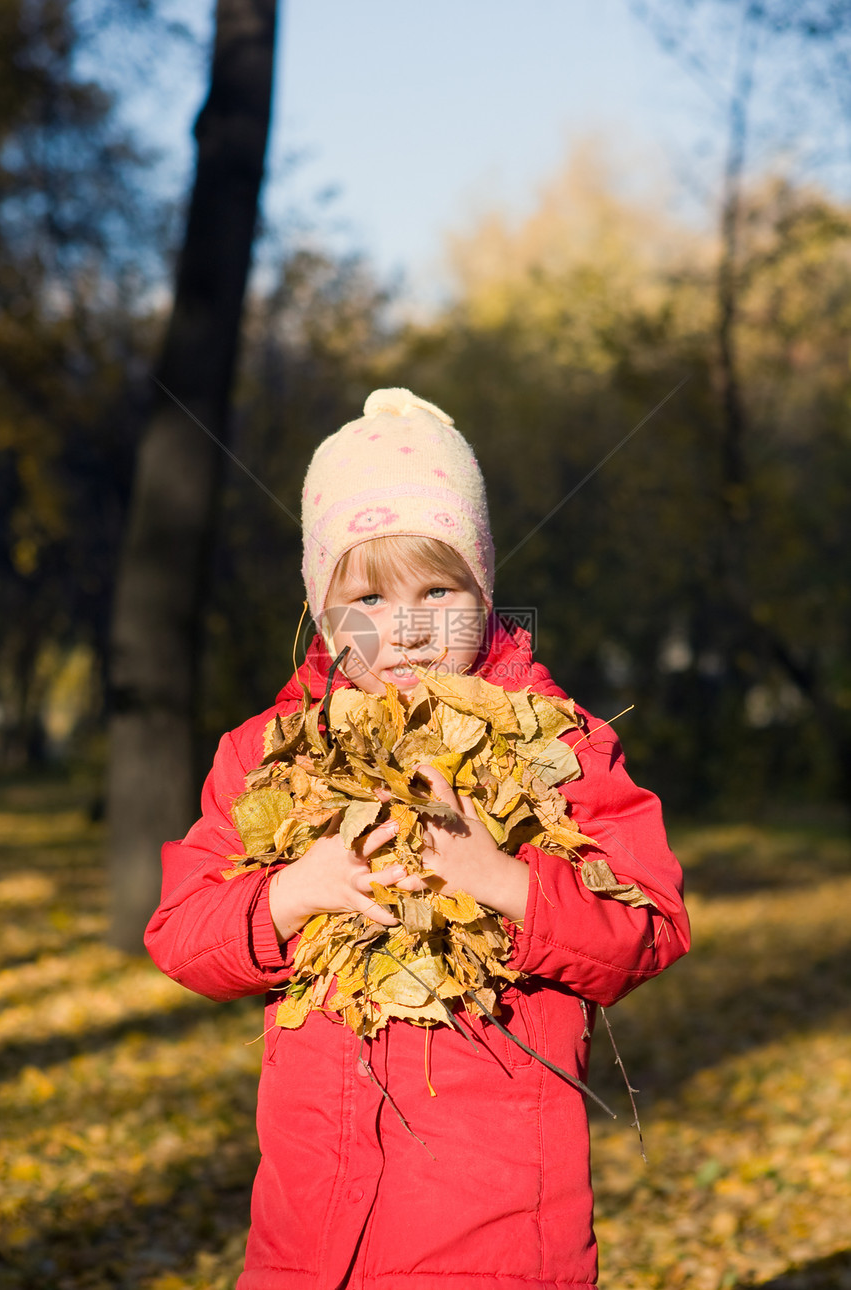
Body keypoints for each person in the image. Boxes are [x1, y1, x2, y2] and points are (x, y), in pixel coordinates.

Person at [145, 388, 690, 1290]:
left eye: (439, 589)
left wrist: (507, 882)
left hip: (497, 1232)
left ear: (483, 594)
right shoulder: (268, 757)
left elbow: (651, 928)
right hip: (311, 1233)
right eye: (366, 596)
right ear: (324, 612)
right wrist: (294, 889)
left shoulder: (561, 746)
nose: (405, 625)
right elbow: (180, 934)